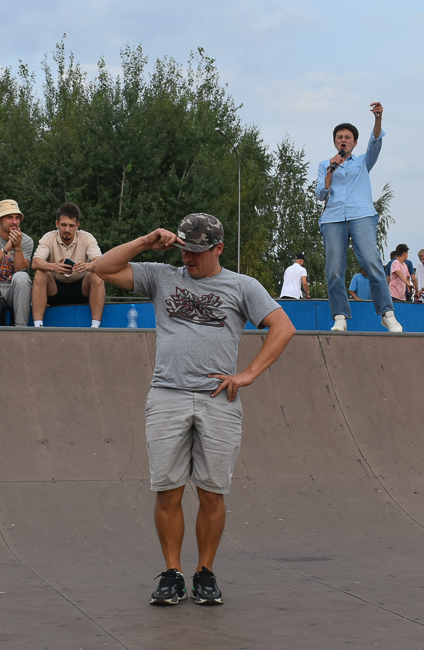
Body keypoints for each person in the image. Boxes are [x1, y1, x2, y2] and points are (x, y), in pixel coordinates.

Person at [91, 213, 295, 607]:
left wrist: (249, 373)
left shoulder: (242, 286)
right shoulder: (161, 276)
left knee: (211, 492)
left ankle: (205, 573)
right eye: (184, 250)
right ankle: (172, 573)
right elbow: (102, 268)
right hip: (167, 394)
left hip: (218, 399)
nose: (189, 258)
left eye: (197, 252)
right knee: (168, 489)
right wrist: (145, 241)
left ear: (218, 248)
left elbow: (283, 326)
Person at [315, 104, 402, 333]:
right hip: (333, 218)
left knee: (371, 262)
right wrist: (331, 171)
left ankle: (387, 313)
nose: (343, 140)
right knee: (334, 269)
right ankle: (340, 316)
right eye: (339, 137)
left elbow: (376, 143)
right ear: (335, 142)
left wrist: (378, 119)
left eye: (348, 137)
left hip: (361, 214)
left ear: (354, 142)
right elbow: (320, 194)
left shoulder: (363, 161)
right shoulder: (325, 164)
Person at [31, 203, 105, 328]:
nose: (67, 230)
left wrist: (86, 266)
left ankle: (95, 326)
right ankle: (38, 326)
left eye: (71, 226)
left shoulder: (87, 238)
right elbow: (35, 262)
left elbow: (100, 263)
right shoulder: (48, 237)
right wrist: (54, 267)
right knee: (40, 273)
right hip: (55, 290)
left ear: (77, 226)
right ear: (56, 224)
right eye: (63, 225)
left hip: (82, 289)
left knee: (97, 274)